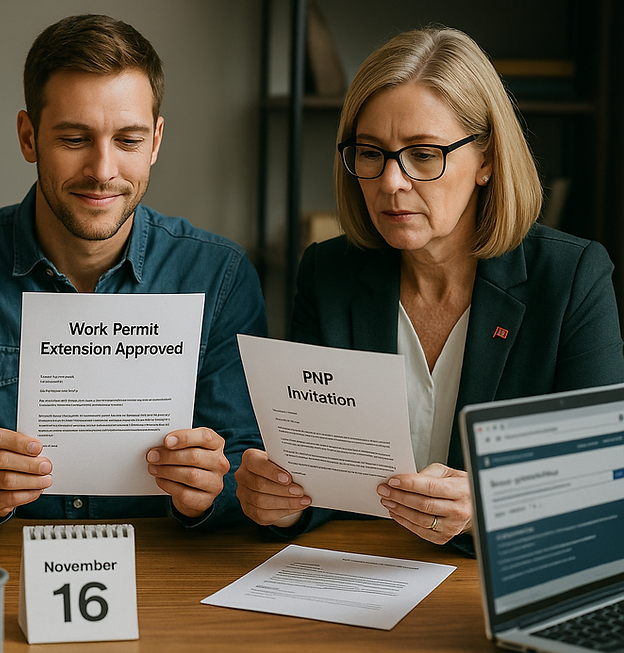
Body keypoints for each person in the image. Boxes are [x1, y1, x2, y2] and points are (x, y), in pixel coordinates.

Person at [235, 26, 624, 552]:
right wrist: (276, 501)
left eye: (422, 154)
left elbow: (602, 476)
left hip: (489, 580)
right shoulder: (327, 273)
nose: (391, 181)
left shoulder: (571, 276)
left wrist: (490, 504)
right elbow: (317, 472)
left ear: (485, 159)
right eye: (370, 153)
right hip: (356, 572)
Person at [0, 14, 266, 530]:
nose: (102, 169)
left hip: (166, 575)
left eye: (128, 141)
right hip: (1, 569)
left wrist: (215, 490)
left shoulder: (220, 275)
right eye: (75, 139)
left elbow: (251, 462)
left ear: (156, 141)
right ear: (29, 137)